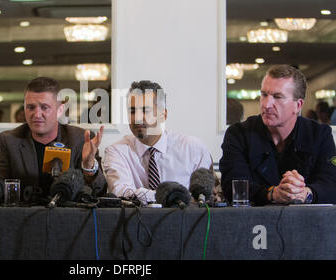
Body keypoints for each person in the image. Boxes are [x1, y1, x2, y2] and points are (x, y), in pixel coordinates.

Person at [0, 77, 107, 205]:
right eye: (31, 107)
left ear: (60, 110)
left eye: (44, 107)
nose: (36, 114)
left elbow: (99, 191)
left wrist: (89, 165)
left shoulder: (79, 139)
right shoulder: (10, 140)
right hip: (21, 221)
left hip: (68, 221)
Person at [220, 65, 336, 205]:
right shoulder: (238, 134)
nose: (267, 104)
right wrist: (272, 193)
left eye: (277, 97)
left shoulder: (319, 135)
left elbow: (331, 184)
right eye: (264, 95)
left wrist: (305, 193)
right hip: (252, 223)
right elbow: (232, 186)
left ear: (298, 105)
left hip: (308, 222)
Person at [103, 80, 213, 204]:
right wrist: (173, 197)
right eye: (132, 111)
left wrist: (142, 194)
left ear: (163, 115)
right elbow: (120, 192)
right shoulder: (117, 151)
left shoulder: (193, 149)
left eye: (146, 110)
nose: (138, 118)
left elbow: (205, 197)